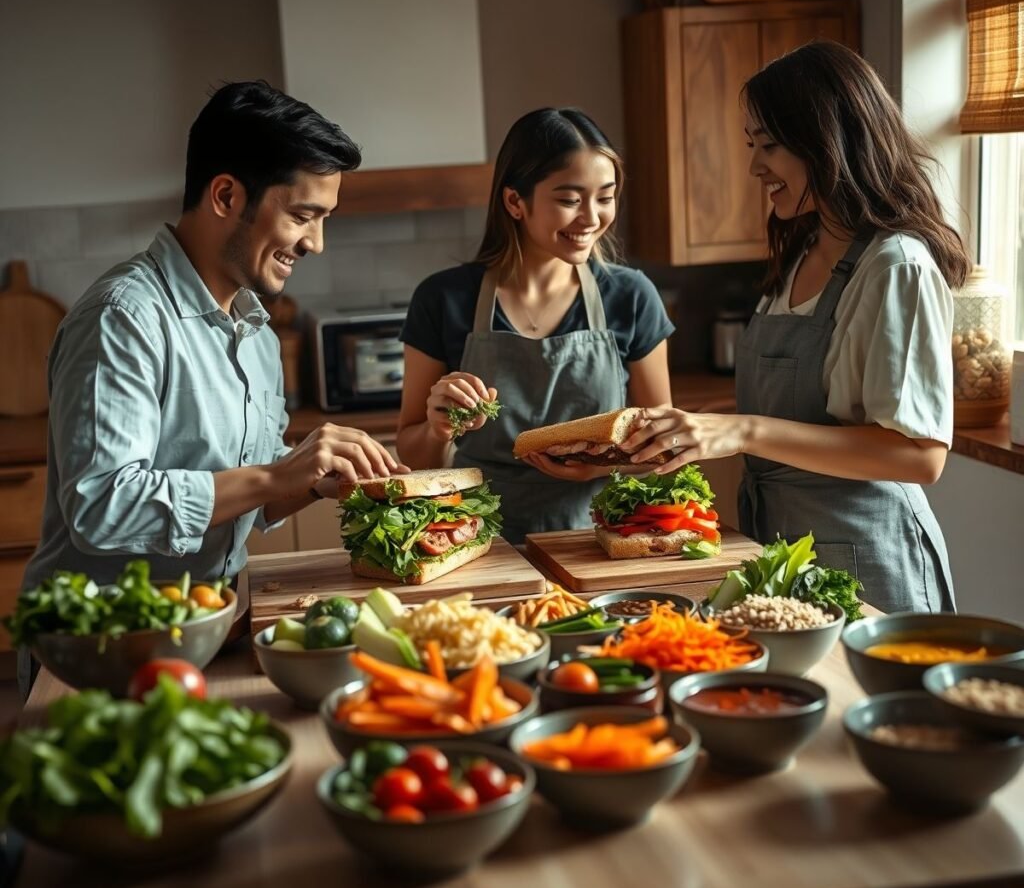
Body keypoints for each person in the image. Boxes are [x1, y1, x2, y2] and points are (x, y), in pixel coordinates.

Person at [621, 41, 971, 613]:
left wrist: (743, 432)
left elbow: (918, 456)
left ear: (827, 141)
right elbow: (796, 421)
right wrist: (689, 435)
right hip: (783, 556)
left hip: (869, 565)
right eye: (751, 145)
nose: (756, 165)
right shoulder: (805, 248)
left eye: (770, 146)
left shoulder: (896, 265)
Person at [23, 80, 404, 595]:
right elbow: (102, 507)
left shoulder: (257, 334)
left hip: (210, 619)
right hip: (101, 647)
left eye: (323, 220)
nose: (316, 242)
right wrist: (276, 476)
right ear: (226, 196)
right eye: (302, 216)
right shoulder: (123, 317)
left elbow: (255, 496)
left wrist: (314, 480)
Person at [397, 107, 675, 545]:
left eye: (605, 196)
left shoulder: (631, 296)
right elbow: (412, 454)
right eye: (569, 199)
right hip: (473, 540)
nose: (591, 218)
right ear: (515, 202)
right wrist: (438, 427)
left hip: (600, 540)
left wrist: (602, 466)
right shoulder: (443, 299)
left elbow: (663, 446)